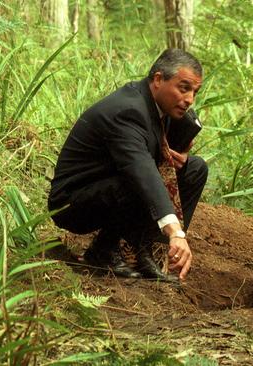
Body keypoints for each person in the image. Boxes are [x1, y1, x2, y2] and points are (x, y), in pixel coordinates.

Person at [48, 49, 207, 283]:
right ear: (158, 79)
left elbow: (156, 156)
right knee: (136, 181)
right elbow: (142, 171)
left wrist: (179, 154)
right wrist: (175, 231)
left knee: (195, 168)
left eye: (194, 91)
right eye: (183, 88)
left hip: (111, 183)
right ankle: (102, 251)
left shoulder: (163, 107)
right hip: (73, 203)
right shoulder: (128, 110)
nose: (189, 99)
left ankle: (142, 248)